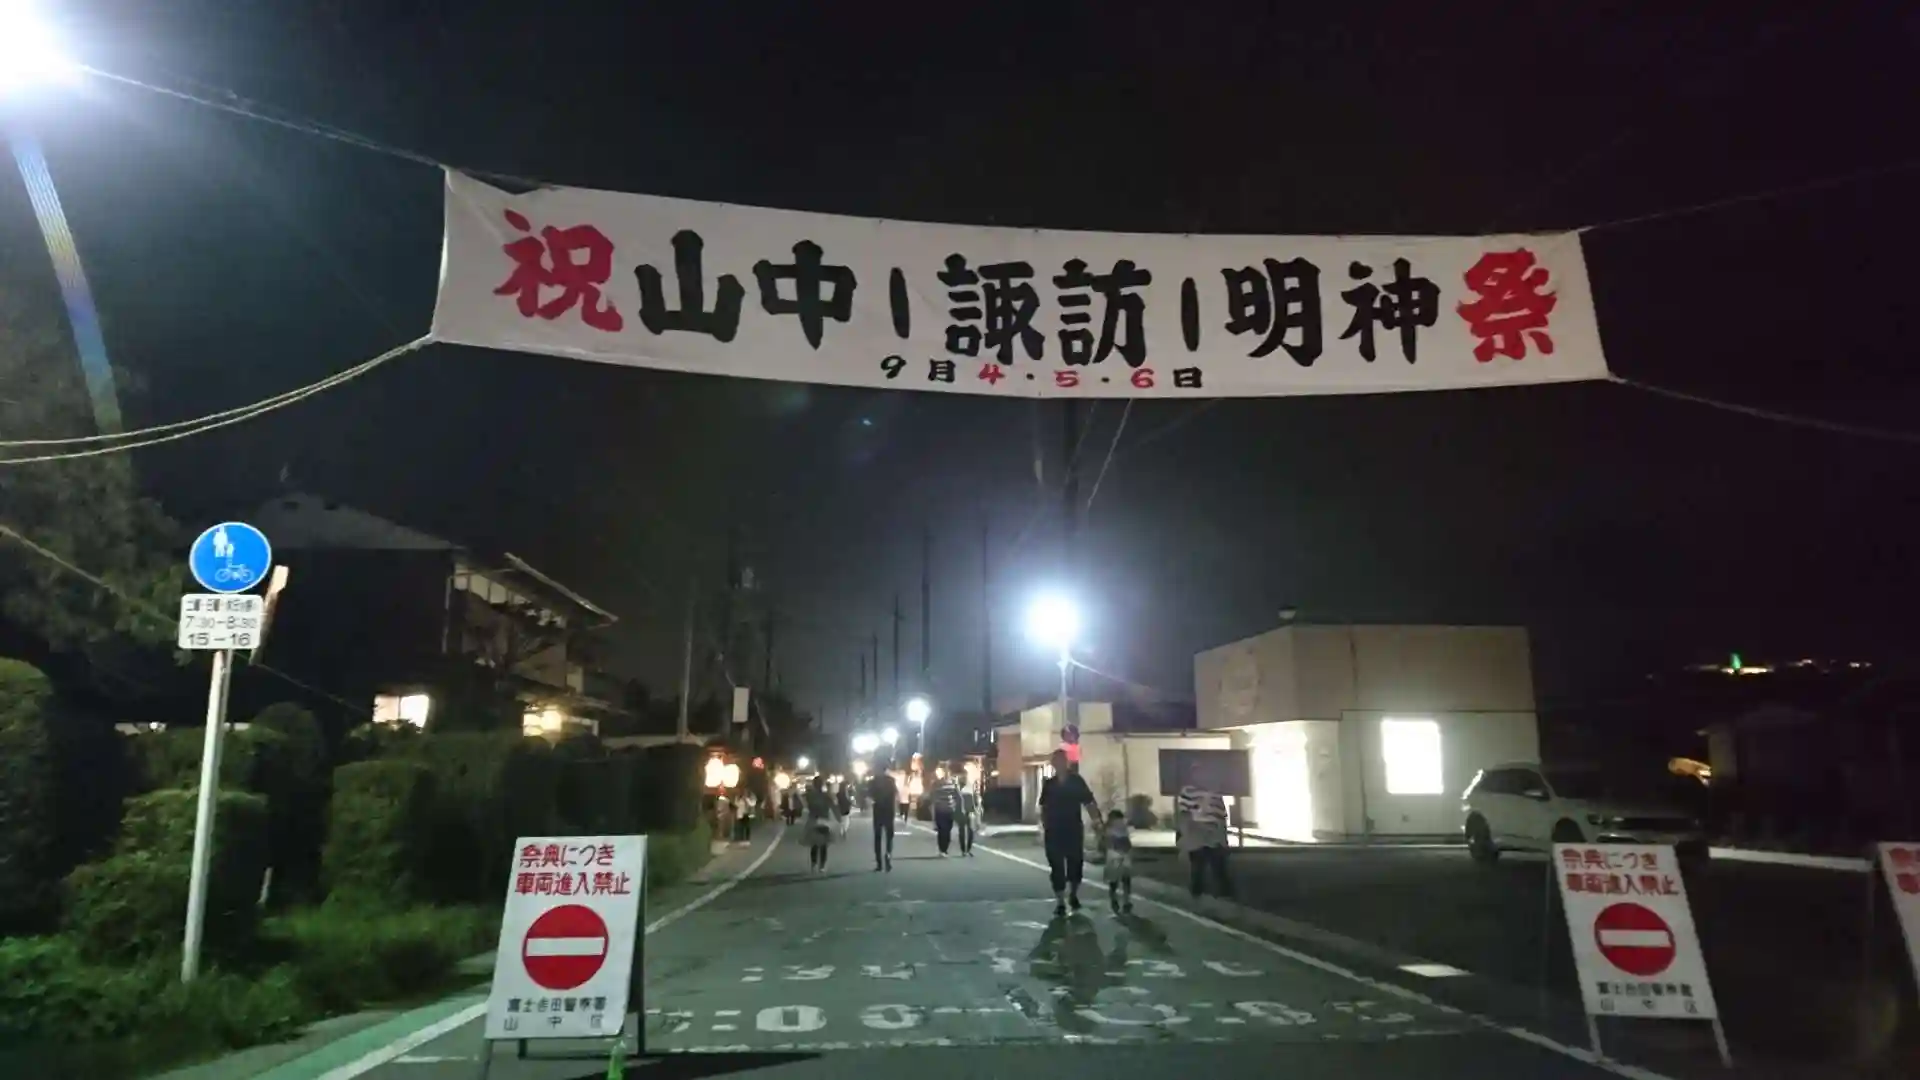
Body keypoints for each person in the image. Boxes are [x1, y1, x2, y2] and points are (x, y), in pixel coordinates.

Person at [1038, 748, 1102, 916]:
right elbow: (1043, 806)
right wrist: (1044, 824)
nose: (1058, 764)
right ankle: (1060, 902)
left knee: (1075, 864)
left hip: (1073, 828)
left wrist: (1096, 821)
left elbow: (1089, 801)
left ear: (1066, 763)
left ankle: (1073, 894)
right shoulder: (1049, 784)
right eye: (1055, 761)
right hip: (1053, 831)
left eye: (1061, 760)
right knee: (1056, 866)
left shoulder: (1076, 781)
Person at [1176, 783, 1233, 900]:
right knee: (1199, 867)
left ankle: (1222, 896)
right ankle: (1199, 895)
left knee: (1217, 867)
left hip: (1211, 833)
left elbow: (1221, 816)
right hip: (1198, 833)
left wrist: (1223, 838)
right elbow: (1184, 815)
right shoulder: (1188, 791)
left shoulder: (1214, 791)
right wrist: (1186, 836)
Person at [799, 774, 837, 872]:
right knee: (822, 844)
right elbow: (833, 806)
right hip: (823, 820)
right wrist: (838, 818)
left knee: (815, 843)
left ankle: (814, 863)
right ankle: (821, 865)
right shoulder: (825, 795)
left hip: (814, 820)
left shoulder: (811, 796)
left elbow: (806, 805)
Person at [867, 765, 899, 872]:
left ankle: (879, 863)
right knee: (889, 836)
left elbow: (869, 796)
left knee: (877, 837)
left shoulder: (873, 781)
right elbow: (895, 794)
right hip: (889, 811)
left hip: (878, 811)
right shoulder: (891, 780)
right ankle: (888, 855)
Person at [1103, 809, 1134, 913]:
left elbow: (1106, 842)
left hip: (1113, 855)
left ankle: (1116, 900)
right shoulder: (1122, 828)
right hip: (1122, 855)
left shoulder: (1109, 828)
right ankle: (1125, 901)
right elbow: (1127, 843)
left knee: (1115, 881)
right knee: (1125, 880)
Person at [930, 774, 960, 856]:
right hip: (946, 810)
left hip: (943, 810)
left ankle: (943, 849)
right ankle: (943, 849)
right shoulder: (951, 786)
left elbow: (933, 800)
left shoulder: (939, 787)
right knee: (945, 830)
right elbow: (958, 797)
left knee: (944, 830)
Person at [956, 781, 979, 856]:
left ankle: (966, 849)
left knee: (969, 831)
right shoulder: (958, 788)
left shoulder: (970, 787)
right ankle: (965, 850)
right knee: (964, 831)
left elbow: (976, 801)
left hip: (969, 812)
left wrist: (976, 810)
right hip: (963, 812)